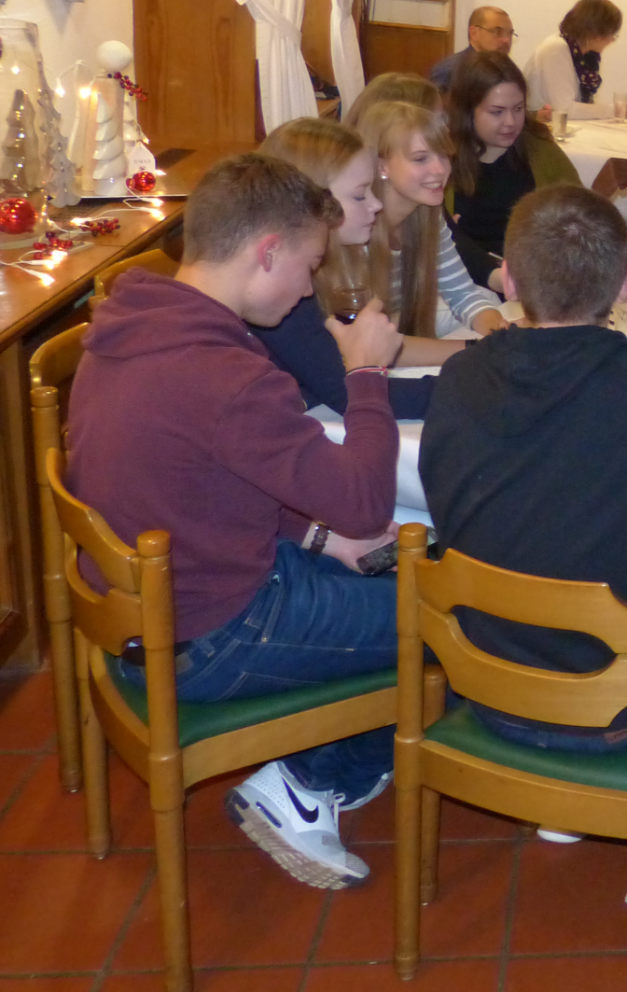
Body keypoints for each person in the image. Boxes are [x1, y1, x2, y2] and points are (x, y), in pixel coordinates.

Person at [421, 185, 627, 914]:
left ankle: (562, 800)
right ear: (626, 284)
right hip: (624, 714)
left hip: (486, 690)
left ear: (508, 280)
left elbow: (457, 515)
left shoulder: (458, 378)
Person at [66, 153, 403, 889]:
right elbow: (365, 502)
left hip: (156, 611)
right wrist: (366, 373)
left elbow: (204, 484)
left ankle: (323, 759)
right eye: (309, 266)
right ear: (267, 251)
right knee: (454, 621)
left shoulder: (135, 321)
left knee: (394, 572)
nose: (309, 286)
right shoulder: (228, 374)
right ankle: (306, 785)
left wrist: (321, 540)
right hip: (214, 635)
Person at [251, 118, 433, 419]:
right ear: (312, 203)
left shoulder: (329, 269)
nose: (376, 205)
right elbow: (349, 392)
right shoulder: (283, 291)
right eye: (360, 195)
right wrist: (479, 386)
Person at [352, 100, 507, 353]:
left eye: (444, 155)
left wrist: (501, 334)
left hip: (401, 339)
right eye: (421, 158)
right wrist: (477, 349)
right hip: (369, 354)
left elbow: (463, 294)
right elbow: (365, 343)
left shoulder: (429, 216)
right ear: (382, 166)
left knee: (488, 301)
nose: (440, 169)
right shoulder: (356, 230)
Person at [442, 51, 580, 291]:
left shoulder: (540, 150)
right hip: (461, 282)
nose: (510, 122)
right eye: (497, 112)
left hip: (534, 281)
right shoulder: (443, 157)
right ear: (468, 111)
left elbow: (579, 214)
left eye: (518, 109)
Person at [526, 0, 622, 119]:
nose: (612, 40)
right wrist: (614, 110)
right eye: (612, 33)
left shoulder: (586, 58)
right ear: (596, 32)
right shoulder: (556, 48)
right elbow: (564, 109)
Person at [430, 5, 515, 91]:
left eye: (510, 33)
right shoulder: (451, 70)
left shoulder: (508, 72)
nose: (506, 40)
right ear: (474, 33)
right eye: (497, 32)